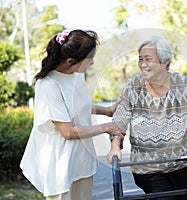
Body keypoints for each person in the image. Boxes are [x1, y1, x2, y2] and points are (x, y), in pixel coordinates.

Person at [20, 29, 125, 200]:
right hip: (62, 168)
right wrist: (105, 127)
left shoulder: (76, 76)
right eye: (89, 59)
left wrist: (107, 111)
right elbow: (67, 132)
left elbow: (77, 105)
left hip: (82, 163)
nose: (92, 63)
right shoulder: (49, 85)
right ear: (71, 61)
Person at [106, 36, 187, 200]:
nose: (143, 64)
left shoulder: (182, 84)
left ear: (165, 61)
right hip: (147, 168)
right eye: (140, 59)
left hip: (184, 164)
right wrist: (115, 146)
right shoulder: (133, 87)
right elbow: (119, 120)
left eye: (148, 59)